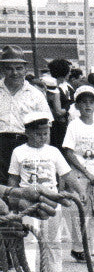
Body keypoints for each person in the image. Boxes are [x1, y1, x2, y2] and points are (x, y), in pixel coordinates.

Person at [7, 111, 75, 272]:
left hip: (50, 200)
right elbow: (13, 179)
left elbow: (66, 174)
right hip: (27, 201)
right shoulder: (18, 152)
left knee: (53, 237)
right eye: (38, 134)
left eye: (45, 133)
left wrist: (78, 191)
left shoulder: (53, 152)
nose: (42, 137)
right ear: (27, 133)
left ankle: (54, 270)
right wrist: (13, 200)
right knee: (29, 237)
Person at [62, 86, 94, 265]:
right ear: (77, 106)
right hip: (80, 174)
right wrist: (85, 171)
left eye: (91, 103)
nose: (88, 106)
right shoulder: (74, 126)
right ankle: (79, 249)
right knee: (80, 212)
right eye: (84, 103)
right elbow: (69, 152)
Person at [0, 45, 53, 184]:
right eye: (9, 68)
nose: (14, 72)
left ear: (25, 69)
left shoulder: (36, 95)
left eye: (18, 68)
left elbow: (46, 127)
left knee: (25, 187)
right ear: (2, 69)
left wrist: (42, 155)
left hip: (25, 144)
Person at [47, 58, 73, 150]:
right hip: (58, 127)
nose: (70, 74)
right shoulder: (55, 89)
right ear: (64, 72)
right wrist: (69, 107)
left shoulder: (49, 86)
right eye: (69, 71)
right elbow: (58, 111)